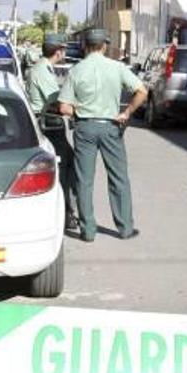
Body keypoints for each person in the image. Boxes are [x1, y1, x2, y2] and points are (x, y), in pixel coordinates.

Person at [58, 29, 148, 242]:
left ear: (85, 46)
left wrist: (81, 112)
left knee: (84, 180)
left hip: (85, 128)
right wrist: (126, 112)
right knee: (118, 177)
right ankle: (125, 228)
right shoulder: (117, 67)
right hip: (111, 127)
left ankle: (88, 230)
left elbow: (63, 108)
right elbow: (142, 91)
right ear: (104, 45)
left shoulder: (76, 70)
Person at [28, 33, 78, 230]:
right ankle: (65, 213)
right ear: (58, 52)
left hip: (49, 121)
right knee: (65, 166)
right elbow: (56, 100)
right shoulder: (41, 70)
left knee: (67, 162)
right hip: (47, 122)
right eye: (63, 49)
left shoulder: (44, 68)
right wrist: (76, 110)